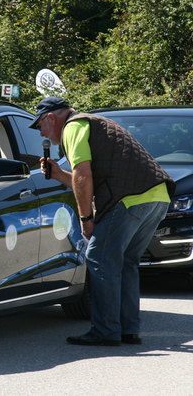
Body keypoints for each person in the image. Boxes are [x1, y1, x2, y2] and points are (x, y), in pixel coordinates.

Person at [30, 96, 174, 346]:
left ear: (50, 117)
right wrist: (59, 175)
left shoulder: (73, 126)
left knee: (99, 258)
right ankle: (128, 330)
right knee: (126, 262)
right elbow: (85, 179)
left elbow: (83, 176)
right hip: (157, 196)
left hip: (129, 199)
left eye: (39, 125)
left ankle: (105, 330)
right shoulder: (95, 123)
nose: (40, 132)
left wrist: (86, 218)